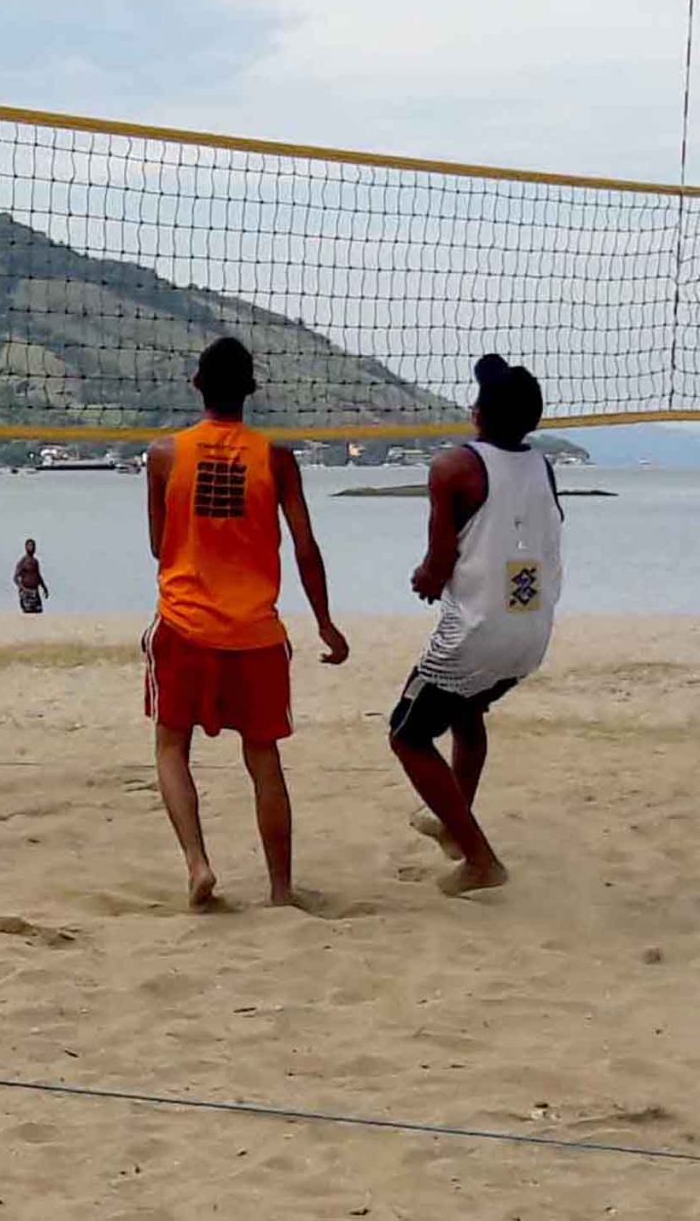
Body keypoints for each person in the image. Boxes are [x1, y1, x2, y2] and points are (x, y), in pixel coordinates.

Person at [143, 337, 348, 909]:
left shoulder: (164, 455)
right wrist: (325, 623)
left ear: (196, 384)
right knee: (263, 760)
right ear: (250, 392)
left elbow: (159, 546)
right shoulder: (277, 459)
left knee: (170, 748)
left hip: (184, 624)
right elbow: (306, 547)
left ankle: (198, 864)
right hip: (255, 630)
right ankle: (281, 890)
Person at [392, 356, 561, 896]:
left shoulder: (453, 468)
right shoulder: (544, 465)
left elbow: (437, 566)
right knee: (467, 711)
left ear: (480, 412)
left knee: (407, 734)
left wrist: (424, 579)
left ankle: (479, 857)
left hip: (477, 633)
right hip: (533, 634)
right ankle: (452, 820)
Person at [14, 538, 48, 613]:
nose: (31, 548)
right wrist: (22, 588)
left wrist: (44, 588)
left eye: (32, 546)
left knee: (38, 612)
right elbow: (15, 578)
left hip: (35, 592)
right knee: (28, 614)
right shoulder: (23, 561)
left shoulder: (35, 561)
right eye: (29, 546)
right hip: (26, 593)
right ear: (25, 547)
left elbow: (38, 576)